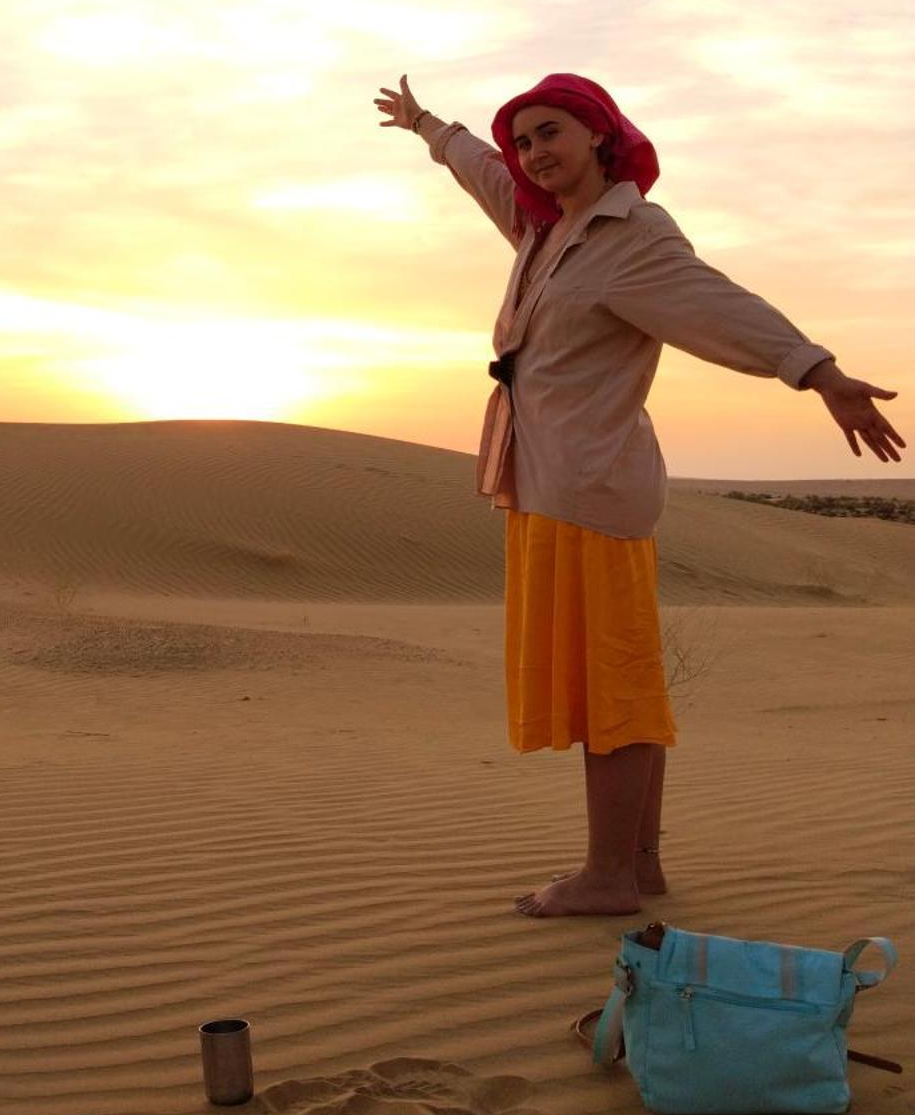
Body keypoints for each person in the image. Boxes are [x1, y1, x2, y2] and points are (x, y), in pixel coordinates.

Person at [375, 70, 902, 921]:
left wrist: (818, 373)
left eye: (551, 133)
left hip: (589, 491)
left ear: (599, 135)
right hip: (548, 483)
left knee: (606, 691)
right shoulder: (545, 232)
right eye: (524, 139)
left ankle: (608, 876)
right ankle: (639, 864)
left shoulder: (633, 236)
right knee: (621, 682)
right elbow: (483, 171)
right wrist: (430, 127)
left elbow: (722, 306)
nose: (533, 153)